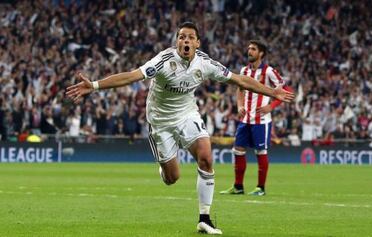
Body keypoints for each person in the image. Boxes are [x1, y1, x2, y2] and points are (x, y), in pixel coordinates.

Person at [66, 22, 295, 235]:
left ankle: (204, 218)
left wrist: (271, 92)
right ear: (177, 42)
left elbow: (240, 80)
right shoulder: (164, 60)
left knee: (206, 156)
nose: (186, 41)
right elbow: (132, 76)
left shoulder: (205, 63)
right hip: (160, 121)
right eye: (181, 37)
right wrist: (94, 86)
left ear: (197, 43)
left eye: (191, 37)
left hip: (187, 115)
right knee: (172, 178)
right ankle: (165, 168)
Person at [220, 40, 292, 196]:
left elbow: (285, 91)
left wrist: (270, 107)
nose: (249, 51)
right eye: (248, 49)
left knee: (260, 151)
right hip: (245, 120)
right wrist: (239, 105)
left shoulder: (269, 71)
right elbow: (240, 89)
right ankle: (238, 187)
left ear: (261, 54)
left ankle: (261, 188)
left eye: (253, 49)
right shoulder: (244, 70)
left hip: (261, 120)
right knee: (238, 150)